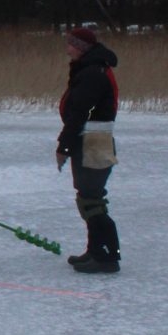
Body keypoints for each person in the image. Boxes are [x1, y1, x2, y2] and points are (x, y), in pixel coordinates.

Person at [57, 26, 122, 273]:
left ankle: (106, 257)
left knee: (91, 200)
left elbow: (79, 113)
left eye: (71, 45)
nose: (68, 49)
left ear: (82, 48)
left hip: (93, 141)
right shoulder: (91, 69)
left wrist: (63, 145)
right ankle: (96, 251)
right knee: (89, 197)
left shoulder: (92, 73)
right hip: (91, 140)